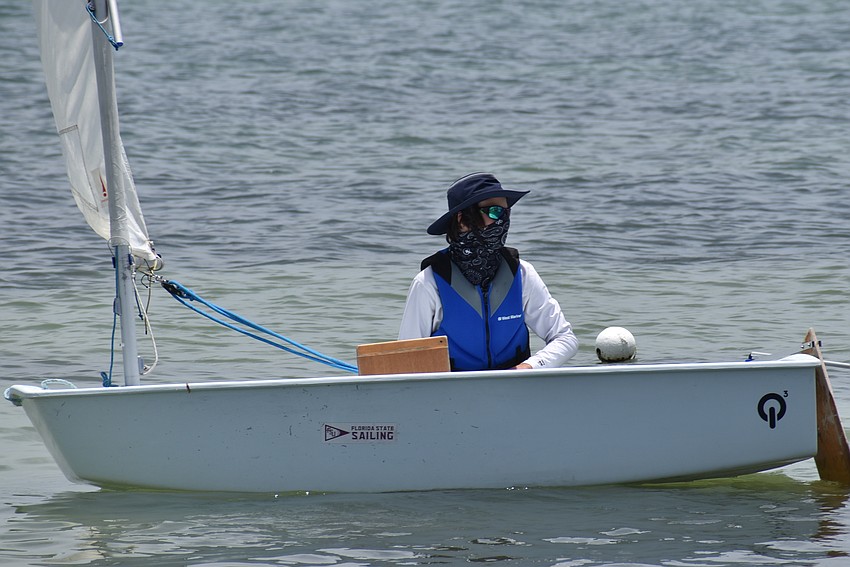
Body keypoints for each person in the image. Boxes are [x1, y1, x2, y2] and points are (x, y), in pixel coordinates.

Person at [398, 172, 579, 371]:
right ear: (462, 219)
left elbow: (565, 338)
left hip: (515, 386)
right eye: (494, 212)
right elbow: (406, 360)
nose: (503, 221)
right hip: (452, 388)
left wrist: (529, 367)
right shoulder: (428, 283)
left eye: (506, 212)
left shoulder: (522, 274)